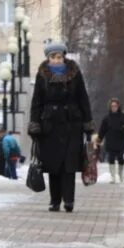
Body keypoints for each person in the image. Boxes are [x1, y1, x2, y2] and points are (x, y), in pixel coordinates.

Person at [28, 42, 94, 212]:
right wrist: (35, 124)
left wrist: (88, 123)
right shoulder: (42, 75)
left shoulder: (74, 74)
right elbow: (37, 102)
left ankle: (69, 200)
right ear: (48, 58)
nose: (57, 60)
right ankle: (55, 200)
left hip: (72, 125)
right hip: (49, 127)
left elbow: (83, 98)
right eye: (53, 57)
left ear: (64, 57)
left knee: (69, 165)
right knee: (53, 165)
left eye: (59, 57)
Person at [97, 98, 124, 183]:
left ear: (118, 106)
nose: (114, 108)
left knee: (121, 158)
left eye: (115, 106)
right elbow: (102, 130)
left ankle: (120, 174)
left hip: (120, 140)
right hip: (110, 141)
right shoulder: (106, 118)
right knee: (111, 158)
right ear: (110, 107)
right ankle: (113, 177)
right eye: (112, 106)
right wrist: (99, 138)